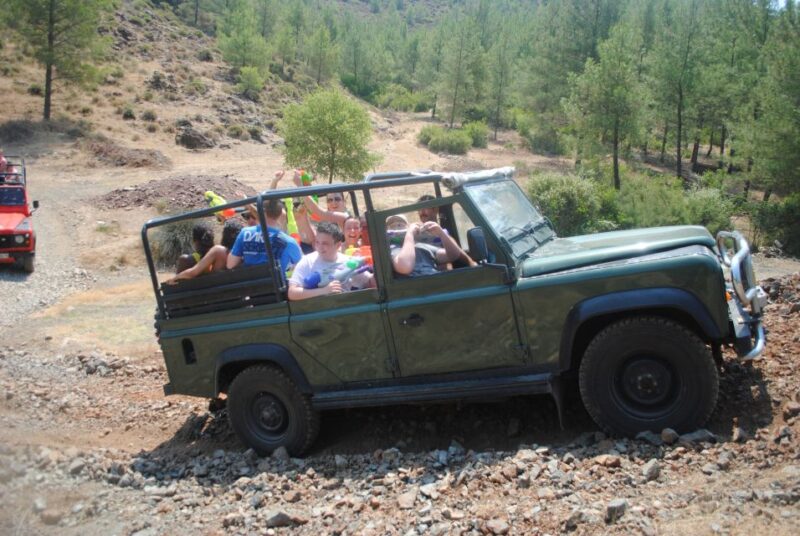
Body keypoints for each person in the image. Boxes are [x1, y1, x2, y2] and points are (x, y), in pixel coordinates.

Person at [288, 222, 373, 301]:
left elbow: (370, 282)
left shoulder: (348, 261)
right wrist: (323, 291)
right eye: (317, 242)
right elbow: (292, 293)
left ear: (338, 245)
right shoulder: (307, 261)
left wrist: (376, 261)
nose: (320, 247)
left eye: (325, 243)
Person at [227, 198, 302, 276]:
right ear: (280, 214)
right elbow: (301, 268)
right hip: (276, 286)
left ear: (261, 212)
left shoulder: (245, 233)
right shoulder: (289, 241)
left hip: (248, 285)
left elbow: (230, 265)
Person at [389, 217, 474, 278]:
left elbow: (453, 256)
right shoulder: (391, 250)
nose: (397, 226)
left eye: (400, 224)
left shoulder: (422, 246)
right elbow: (405, 267)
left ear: (407, 226)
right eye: (392, 225)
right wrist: (410, 234)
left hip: (436, 285)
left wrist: (441, 233)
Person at [167, 218, 244, 284]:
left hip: (217, 296)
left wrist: (175, 278)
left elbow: (192, 273)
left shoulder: (219, 251)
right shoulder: (245, 254)